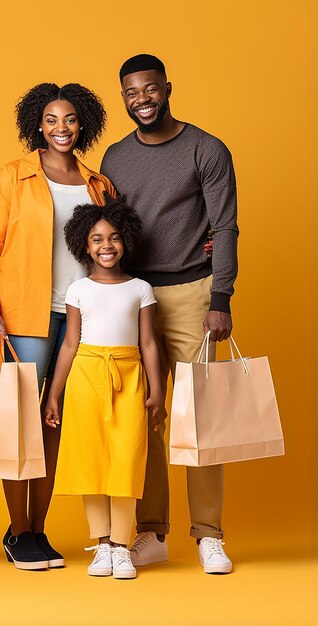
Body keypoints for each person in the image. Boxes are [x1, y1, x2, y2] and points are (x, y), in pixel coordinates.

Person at [101, 54, 239, 574]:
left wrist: (221, 297)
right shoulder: (115, 158)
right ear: (124, 98)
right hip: (134, 298)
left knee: (200, 417)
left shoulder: (207, 148)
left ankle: (208, 534)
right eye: (132, 92)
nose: (142, 99)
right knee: (143, 418)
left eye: (150, 89)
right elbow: (108, 231)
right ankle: (150, 532)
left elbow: (224, 226)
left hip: (193, 293)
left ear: (167, 88)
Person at [0, 82, 115, 570]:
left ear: (84, 124)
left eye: (71, 119)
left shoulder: (98, 184)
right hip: (25, 314)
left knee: (55, 422)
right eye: (52, 120)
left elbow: (113, 244)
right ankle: (17, 531)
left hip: (82, 318)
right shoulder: (14, 176)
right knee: (20, 422)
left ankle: (39, 527)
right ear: (38, 123)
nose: (62, 128)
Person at [44, 196, 166, 579]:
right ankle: (101, 545)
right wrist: (53, 393)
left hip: (129, 378)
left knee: (127, 461)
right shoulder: (78, 290)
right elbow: (69, 344)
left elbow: (148, 343)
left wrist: (158, 391)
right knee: (91, 461)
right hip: (85, 378)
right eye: (97, 239)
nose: (106, 246)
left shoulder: (141, 288)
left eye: (113, 237)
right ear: (84, 244)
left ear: (125, 240)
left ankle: (120, 545)